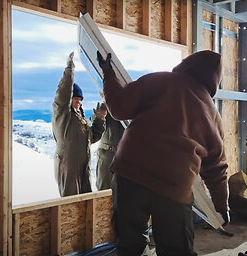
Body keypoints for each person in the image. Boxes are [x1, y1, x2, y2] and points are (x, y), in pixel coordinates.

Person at [97, 50, 230, 256]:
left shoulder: (158, 80)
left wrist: (108, 74)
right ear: (215, 79)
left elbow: (119, 108)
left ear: (187, 63)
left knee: (130, 244)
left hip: (130, 173)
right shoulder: (212, 114)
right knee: (176, 249)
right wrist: (222, 206)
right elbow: (217, 167)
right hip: (174, 185)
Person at [52, 52, 107, 197]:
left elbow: (92, 137)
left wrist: (100, 119)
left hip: (83, 170)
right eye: (75, 98)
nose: (78, 101)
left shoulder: (80, 119)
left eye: (80, 99)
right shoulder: (62, 116)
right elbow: (62, 96)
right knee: (70, 205)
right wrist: (69, 71)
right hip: (68, 168)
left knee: (84, 204)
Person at [90, 104, 125, 190]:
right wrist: (100, 115)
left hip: (126, 158)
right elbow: (94, 118)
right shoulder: (109, 106)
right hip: (108, 154)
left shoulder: (135, 108)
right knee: (104, 191)